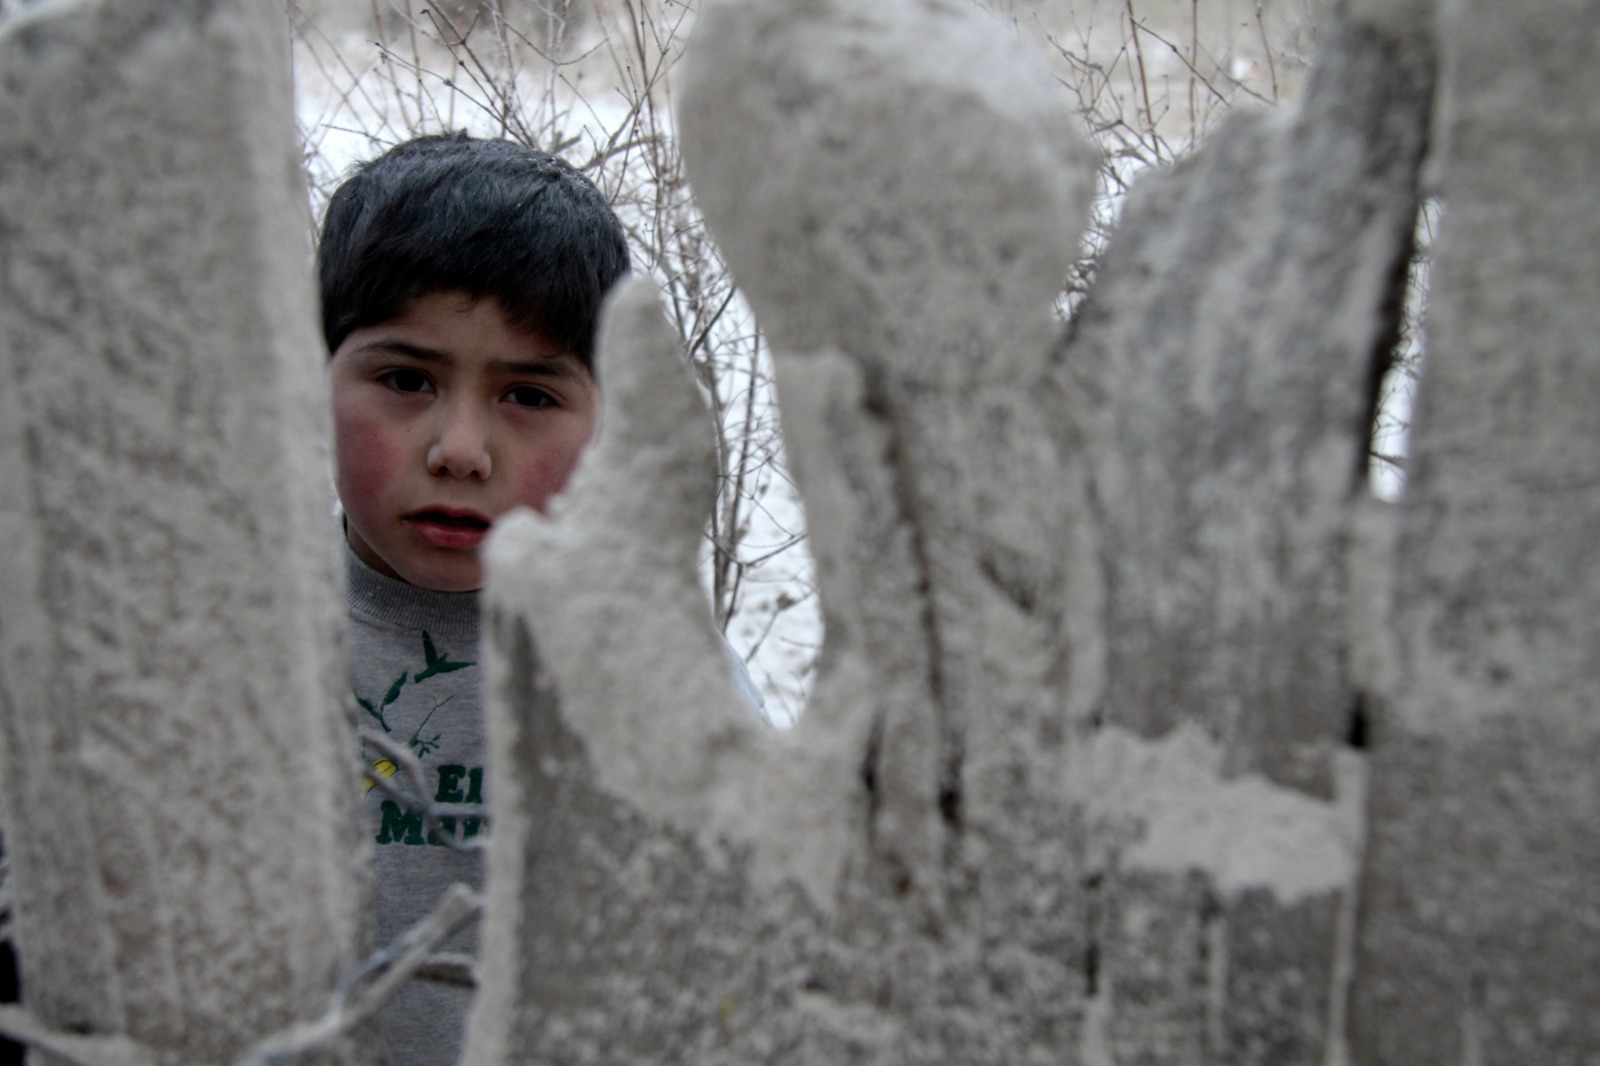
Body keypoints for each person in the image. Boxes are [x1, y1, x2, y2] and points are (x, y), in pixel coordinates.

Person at [318, 132, 761, 1064]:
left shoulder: (648, 662)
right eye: (406, 380)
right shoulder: (238, 639)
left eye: (526, 395)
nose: (460, 450)